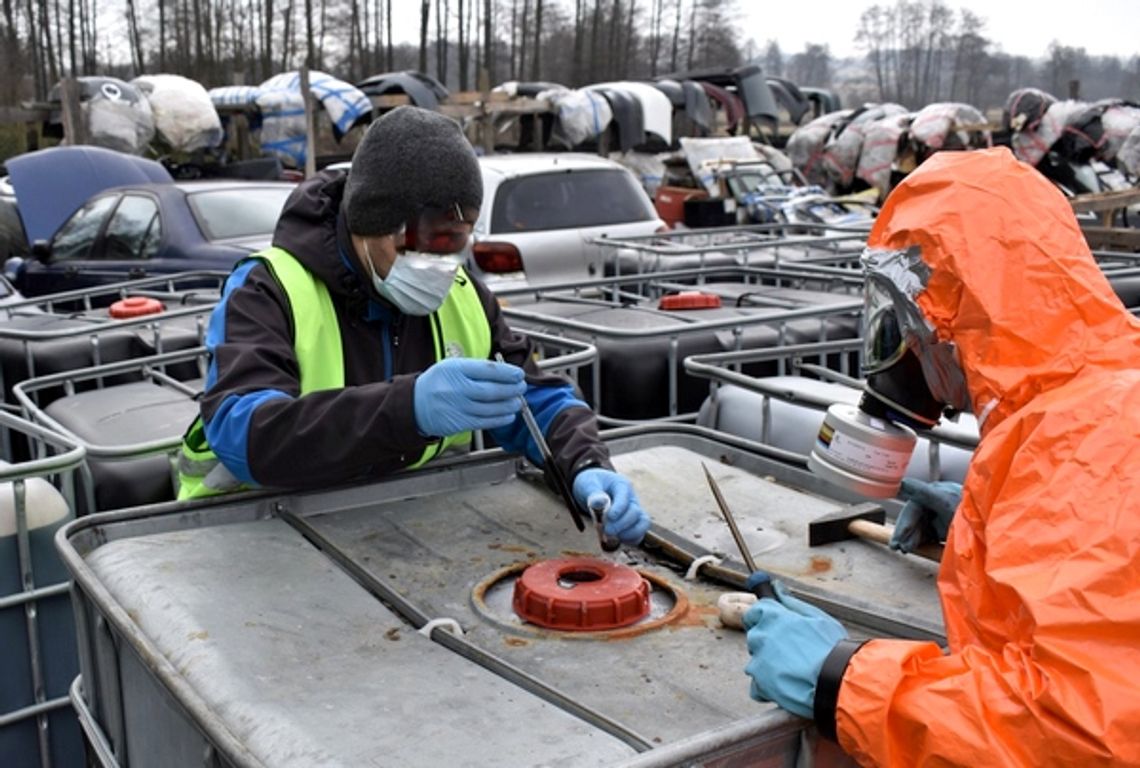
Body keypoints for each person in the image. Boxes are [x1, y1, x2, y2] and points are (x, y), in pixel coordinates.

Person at [741, 147, 1140, 765]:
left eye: (900, 325)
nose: (900, 354)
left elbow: (1076, 736)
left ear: (946, 320)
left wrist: (841, 681)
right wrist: (986, 532)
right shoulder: (1091, 394)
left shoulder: (1078, 452)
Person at [176, 105, 650, 547]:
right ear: (368, 222)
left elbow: (531, 394)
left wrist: (584, 462)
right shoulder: (268, 288)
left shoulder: (462, 294)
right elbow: (248, 435)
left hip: (395, 536)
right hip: (255, 540)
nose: (440, 265)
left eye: (455, 241)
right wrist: (409, 409)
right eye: (421, 243)